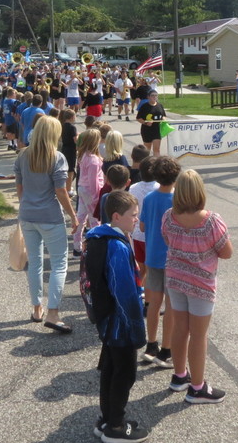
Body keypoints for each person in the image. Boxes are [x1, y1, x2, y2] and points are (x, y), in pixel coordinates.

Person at [163, 169, 233, 404]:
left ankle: (180, 375)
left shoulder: (168, 217)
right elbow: (226, 253)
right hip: (201, 285)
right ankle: (197, 387)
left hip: (175, 279)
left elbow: (167, 240)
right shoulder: (212, 221)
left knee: (180, 329)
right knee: (199, 335)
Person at [85, 190, 149, 443]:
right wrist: (136, 329)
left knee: (110, 369)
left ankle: (106, 419)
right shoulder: (117, 247)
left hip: (106, 318)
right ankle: (116, 427)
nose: (136, 220)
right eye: (132, 215)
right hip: (120, 322)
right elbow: (124, 292)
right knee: (125, 372)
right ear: (116, 216)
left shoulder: (99, 238)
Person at [13, 114, 79, 334]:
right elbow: (61, 191)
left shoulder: (23, 155)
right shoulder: (57, 157)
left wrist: (26, 206)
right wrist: (73, 215)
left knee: (35, 262)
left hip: (28, 214)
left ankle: (36, 308)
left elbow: (20, 189)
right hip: (50, 216)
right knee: (60, 264)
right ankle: (53, 312)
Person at [139, 155, 180, 370]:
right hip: (172, 259)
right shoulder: (178, 200)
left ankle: (151, 344)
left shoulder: (149, 198)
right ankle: (166, 349)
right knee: (171, 306)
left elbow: (143, 227)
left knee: (154, 304)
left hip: (153, 256)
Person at [74, 128, 104, 255]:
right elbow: (93, 181)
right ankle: (95, 247)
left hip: (82, 189)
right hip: (90, 192)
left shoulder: (83, 155)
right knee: (95, 221)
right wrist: (96, 196)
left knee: (80, 218)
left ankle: (77, 247)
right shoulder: (94, 160)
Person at [127, 150, 155, 285]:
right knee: (152, 270)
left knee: (140, 268)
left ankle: (138, 290)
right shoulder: (159, 188)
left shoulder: (133, 188)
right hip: (152, 235)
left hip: (137, 233)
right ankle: (148, 296)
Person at [136, 90, 167, 155]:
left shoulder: (160, 105)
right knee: (147, 150)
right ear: (148, 97)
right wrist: (145, 123)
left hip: (157, 130)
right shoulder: (144, 106)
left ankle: (157, 164)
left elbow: (164, 115)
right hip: (147, 130)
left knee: (157, 149)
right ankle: (147, 164)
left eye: (156, 95)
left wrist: (163, 119)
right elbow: (138, 118)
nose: (154, 97)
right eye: (152, 95)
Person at [59, 108, 77, 195]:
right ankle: (68, 189)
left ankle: (66, 186)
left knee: (66, 168)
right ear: (71, 117)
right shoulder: (72, 127)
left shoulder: (62, 126)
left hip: (64, 148)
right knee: (71, 170)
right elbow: (75, 140)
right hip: (71, 149)